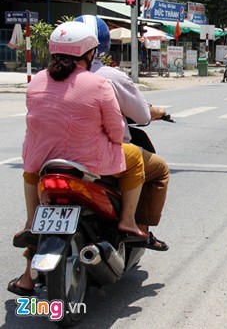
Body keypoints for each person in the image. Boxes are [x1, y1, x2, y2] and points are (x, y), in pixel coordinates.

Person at [8, 21, 147, 297]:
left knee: (30, 172)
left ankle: (29, 224)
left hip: (43, 162)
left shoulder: (36, 80)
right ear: (88, 54)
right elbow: (117, 131)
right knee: (138, 161)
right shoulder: (98, 83)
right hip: (90, 163)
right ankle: (128, 221)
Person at [75, 15, 170, 251]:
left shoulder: (48, 77)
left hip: (54, 152)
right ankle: (138, 227)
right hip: (98, 154)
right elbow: (134, 119)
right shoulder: (107, 78)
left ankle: (29, 251)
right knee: (157, 169)